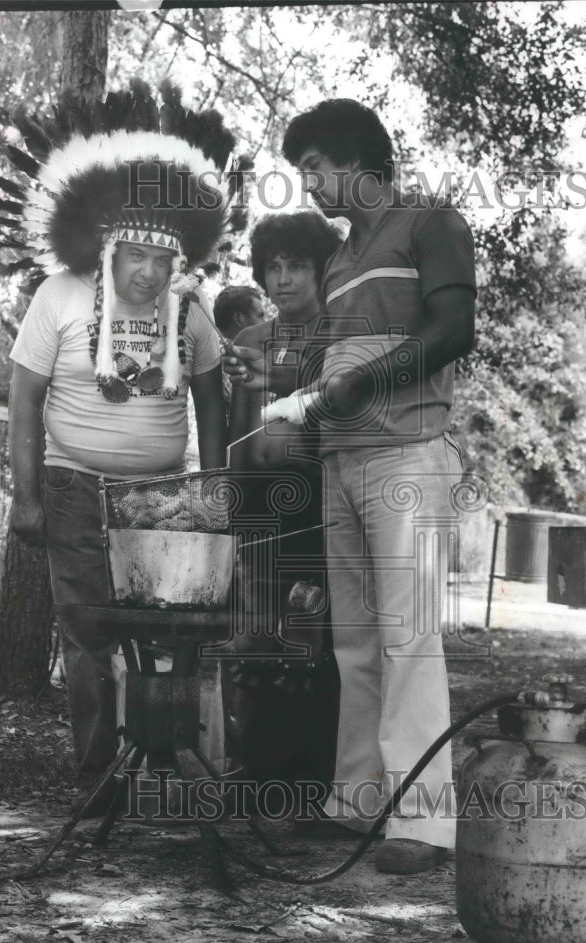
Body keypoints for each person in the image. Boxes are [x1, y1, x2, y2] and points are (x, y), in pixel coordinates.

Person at [223, 100, 476, 872]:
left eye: (315, 171)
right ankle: (360, 804)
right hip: (342, 463)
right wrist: (280, 378)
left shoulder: (432, 222)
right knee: (355, 642)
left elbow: (454, 333)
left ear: (355, 159)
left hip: (413, 459)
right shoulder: (337, 259)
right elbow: (332, 367)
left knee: (411, 637)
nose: (310, 188)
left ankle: (427, 825)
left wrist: (357, 385)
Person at [0, 81, 246, 813]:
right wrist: (27, 493)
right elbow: (25, 397)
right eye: (137, 255)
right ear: (107, 250)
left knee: (174, 635)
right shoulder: (58, 297)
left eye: (164, 259)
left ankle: (170, 762)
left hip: (165, 500)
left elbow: (212, 396)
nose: (150, 272)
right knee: (89, 636)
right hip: (72, 491)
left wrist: (215, 487)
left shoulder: (188, 308)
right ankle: (100, 778)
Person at [223, 212, 342, 812]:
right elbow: (239, 435)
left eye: (297, 266)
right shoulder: (249, 343)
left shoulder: (338, 339)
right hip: (255, 503)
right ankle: (256, 766)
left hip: (318, 500)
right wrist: (230, 514)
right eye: (274, 266)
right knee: (254, 635)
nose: (284, 279)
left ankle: (312, 774)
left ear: (322, 271)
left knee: (311, 636)